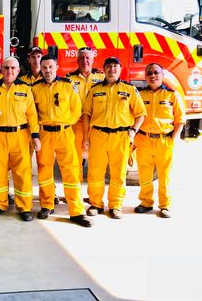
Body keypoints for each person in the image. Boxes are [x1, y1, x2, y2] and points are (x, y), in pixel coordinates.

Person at [31, 55, 92, 227]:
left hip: (65, 133)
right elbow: (33, 113)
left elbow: (77, 109)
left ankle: (76, 211)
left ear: (57, 67)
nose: (47, 71)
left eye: (50, 67)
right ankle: (47, 204)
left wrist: (65, 123)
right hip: (44, 134)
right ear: (41, 69)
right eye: (44, 67)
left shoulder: (67, 85)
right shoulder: (35, 88)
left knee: (71, 172)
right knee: (44, 171)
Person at [83, 57, 146, 219]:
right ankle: (95, 203)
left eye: (115, 66)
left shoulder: (129, 89)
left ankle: (115, 205)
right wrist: (86, 138)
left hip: (121, 136)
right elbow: (86, 115)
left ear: (120, 69)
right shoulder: (95, 90)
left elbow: (141, 114)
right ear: (103, 69)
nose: (112, 69)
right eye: (109, 66)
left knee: (118, 173)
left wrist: (133, 131)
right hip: (98, 135)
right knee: (95, 172)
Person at [0, 57, 41, 221]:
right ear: (1, 70)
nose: (9, 71)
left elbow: (32, 115)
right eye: (6, 67)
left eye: (13, 68)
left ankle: (24, 207)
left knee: (22, 172)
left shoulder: (25, 88)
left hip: (21, 136)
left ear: (18, 71)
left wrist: (35, 136)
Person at [134, 63, 185, 218]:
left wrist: (173, 140)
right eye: (149, 73)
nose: (153, 75)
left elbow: (180, 121)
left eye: (156, 72)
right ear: (145, 76)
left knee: (165, 176)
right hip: (144, 140)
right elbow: (133, 117)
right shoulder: (139, 95)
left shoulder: (172, 95)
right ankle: (146, 202)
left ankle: (165, 205)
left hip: (164, 141)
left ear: (162, 75)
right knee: (144, 174)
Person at [66, 47, 104, 182]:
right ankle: (76, 195)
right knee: (75, 161)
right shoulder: (69, 79)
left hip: (95, 125)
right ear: (77, 60)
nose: (85, 61)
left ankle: (93, 196)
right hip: (76, 125)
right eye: (81, 58)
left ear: (93, 60)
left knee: (96, 162)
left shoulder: (101, 78)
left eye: (88, 58)